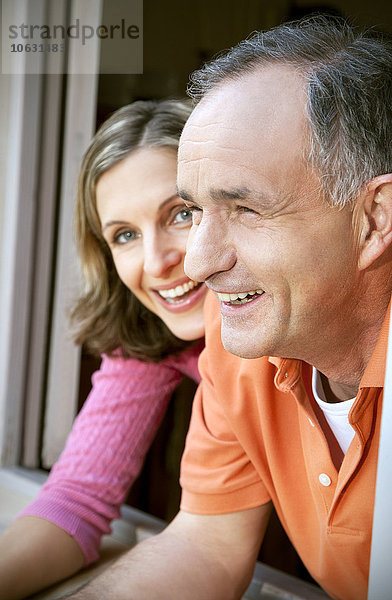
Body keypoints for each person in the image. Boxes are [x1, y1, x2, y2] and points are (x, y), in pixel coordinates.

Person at [64, 15, 392, 600]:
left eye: (244, 209)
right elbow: (205, 544)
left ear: (374, 219)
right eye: (197, 209)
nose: (195, 263)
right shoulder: (242, 339)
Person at [0, 99, 207, 600]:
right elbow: (77, 500)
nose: (156, 262)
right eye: (125, 235)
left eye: (181, 213)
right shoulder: (150, 338)